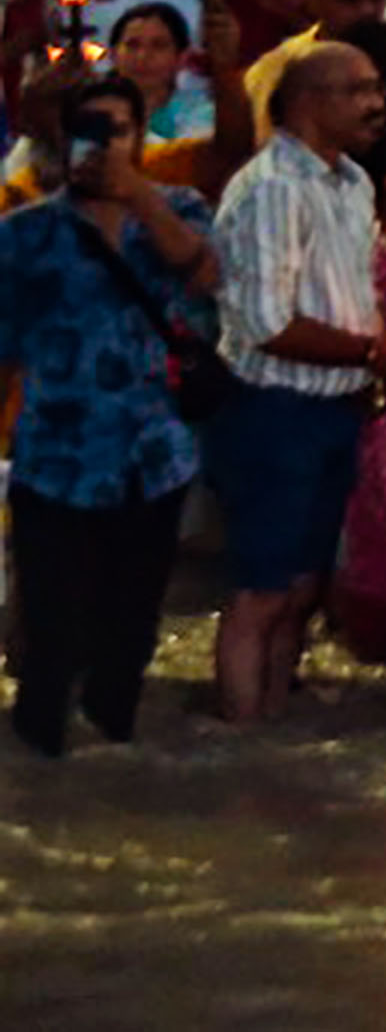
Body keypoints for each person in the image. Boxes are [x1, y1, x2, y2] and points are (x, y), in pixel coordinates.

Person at [0, 67, 219, 752]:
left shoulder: (177, 210)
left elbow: (206, 275)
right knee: (50, 634)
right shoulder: (26, 232)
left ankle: (116, 750)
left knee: (131, 632)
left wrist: (137, 196)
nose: (104, 146)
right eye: (89, 132)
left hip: (151, 456)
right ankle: (45, 764)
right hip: (55, 457)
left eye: (117, 130)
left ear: (138, 133)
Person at [210, 31, 386, 720]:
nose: (378, 104)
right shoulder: (271, 189)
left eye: (378, 89)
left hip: (334, 405)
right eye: (360, 91)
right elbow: (268, 324)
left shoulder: (351, 181)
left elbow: (351, 288)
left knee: (302, 585)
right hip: (273, 409)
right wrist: (374, 353)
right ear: (308, 103)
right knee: (262, 589)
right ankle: (240, 732)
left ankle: (273, 723)